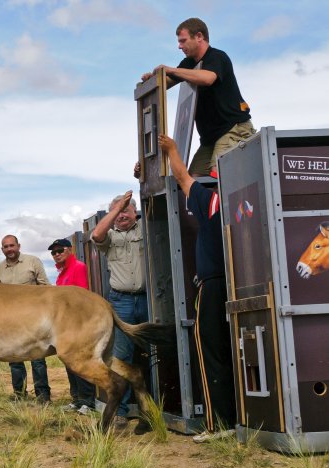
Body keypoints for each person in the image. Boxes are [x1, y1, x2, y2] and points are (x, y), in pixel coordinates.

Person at [159, 134, 236, 443]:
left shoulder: (212, 199)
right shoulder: (246, 200)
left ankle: (219, 423)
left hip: (214, 284)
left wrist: (172, 150)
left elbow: (182, 176)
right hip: (239, 282)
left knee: (210, 353)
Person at [142, 17, 254, 177]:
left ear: (199, 36)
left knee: (219, 175)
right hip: (210, 138)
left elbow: (207, 78)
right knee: (193, 181)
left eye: (183, 41)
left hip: (233, 129)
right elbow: (165, 83)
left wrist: (172, 70)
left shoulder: (217, 57)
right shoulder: (188, 63)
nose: (179, 46)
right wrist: (153, 80)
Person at [92, 192, 148, 430]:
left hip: (149, 299)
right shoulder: (110, 237)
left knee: (150, 355)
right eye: (117, 211)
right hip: (122, 301)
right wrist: (116, 208)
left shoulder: (146, 229)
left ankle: (150, 412)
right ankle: (122, 413)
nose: (122, 215)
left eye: (126, 209)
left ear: (135, 211)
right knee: (121, 357)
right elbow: (96, 234)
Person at [0, 234, 52, 403]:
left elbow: (46, 287)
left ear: (18, 246)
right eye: (6, 247)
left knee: (37, 358)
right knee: (15, 359)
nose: (9, 249)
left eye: (12, 245)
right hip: (10, 321)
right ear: (2, 249)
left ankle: (43, 396)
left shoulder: (33, 261)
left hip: (33, 319)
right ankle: (19, 394)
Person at [48, 238, 97, 416]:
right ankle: (76, 399)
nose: (56, 254)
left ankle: (88, 402)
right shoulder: (61, 273)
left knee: (80, 362)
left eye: (60, 250)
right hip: (65, 325)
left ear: (69, 250)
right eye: (53, 253)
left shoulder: (78, 267)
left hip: (77, 323)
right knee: (69, 362)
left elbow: (81, 296)